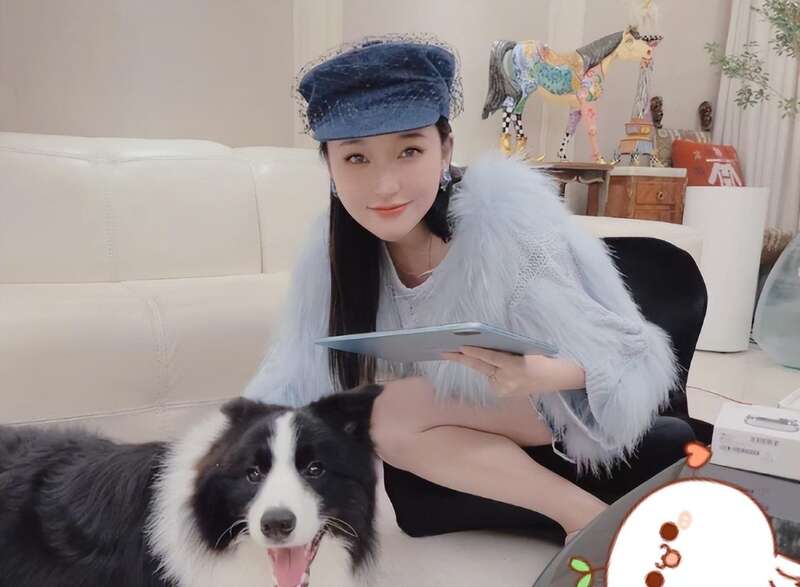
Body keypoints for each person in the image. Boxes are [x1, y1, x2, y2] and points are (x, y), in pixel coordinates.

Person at [244, 34, 692, 541]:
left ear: (445, 150)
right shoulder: (332, 255)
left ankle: (585, 517)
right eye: (356, 159)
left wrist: (539, 373)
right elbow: (291, 372)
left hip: (559, 405)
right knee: (381, 419)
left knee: (383, 411)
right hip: (458, 417)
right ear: (328, 166)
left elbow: (630, 354)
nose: (385, 185)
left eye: (409, 150)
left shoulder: (506, 224)